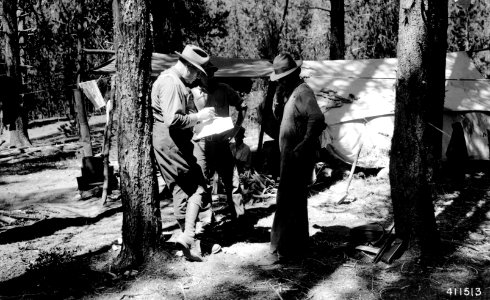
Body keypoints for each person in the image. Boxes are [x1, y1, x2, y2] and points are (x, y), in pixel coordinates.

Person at [151, 44, 216, 262]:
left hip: (168, 143)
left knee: (180, 191)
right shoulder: (172, 83)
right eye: (197, 71)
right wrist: (200, 117)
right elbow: (173, 120)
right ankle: (188, 236)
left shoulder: (170, 79)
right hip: (171, 144)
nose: (197, 77)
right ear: (188, 66)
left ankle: (191, 243)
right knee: (199, 187)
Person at [269, 53, 326, 261]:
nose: (281, 81)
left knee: (287, 200)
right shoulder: (290, 92)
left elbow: (317, 119)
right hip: (289, 155)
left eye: (284, 77)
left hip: (296, 156)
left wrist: (304, 144)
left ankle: (281, 248)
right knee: (294, 201)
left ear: (295, 74)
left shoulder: (303, 92)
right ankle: (297, 246)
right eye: (280, 79)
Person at [191, 62, 247, 222]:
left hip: (222, 143)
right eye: (204, 73)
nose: (208, 76)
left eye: (211, 72)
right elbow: (186, 117)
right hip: (202, 144)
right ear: (199, 74)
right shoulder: (193, 93)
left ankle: (240, 220)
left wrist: (235, 129)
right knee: (202, 184)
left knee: (233, 182)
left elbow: (242, 106)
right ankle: (207, 223)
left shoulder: (224, 89)